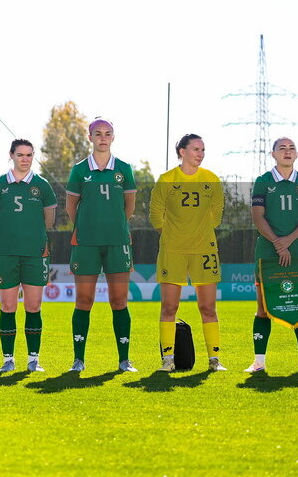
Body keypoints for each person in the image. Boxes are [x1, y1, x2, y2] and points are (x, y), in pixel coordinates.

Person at [65, 118, 138, 373]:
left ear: (113, 138)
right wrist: (87, 228)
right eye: (98, 134)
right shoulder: (79, 170)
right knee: (84, 300)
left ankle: (124, 361)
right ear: (90, 138)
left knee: (119, 301)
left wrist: (114, 226)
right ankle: (78, 360)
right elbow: (71, 207)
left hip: (117, 243)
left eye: (108, 134)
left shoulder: (124, 169)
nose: (103, 138)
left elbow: (129, 206)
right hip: (86, 244)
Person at [149, 134, 226, 372]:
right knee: (169, 307)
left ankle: (214, 360)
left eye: (203, 150)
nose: (200, 154)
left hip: (204, 250)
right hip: (173, 251)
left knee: (208, 308)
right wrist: (175, 235)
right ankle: (168, 360)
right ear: (182, 152)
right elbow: (155, 216)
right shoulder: (166, 180)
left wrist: (197, 233)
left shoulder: (211, 179)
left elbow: (216, 216)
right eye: (196, 149)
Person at [247, 137, 298, 373]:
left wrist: (288, 241)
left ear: (296, 155)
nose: (287, 152)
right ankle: (259, 362)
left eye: (292, 148)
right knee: (263, 307)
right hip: (268, 250)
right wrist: (278, 244)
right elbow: (258, 217)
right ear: (273, 154)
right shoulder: (263, 181)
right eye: (282, 148)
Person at [0, 139, 57, 373]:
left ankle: (33, 360)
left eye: (29, 155)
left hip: (35, 254)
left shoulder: (42, 185)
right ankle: (8, 360)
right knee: (8, 306)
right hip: (6, 254)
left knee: (33, 306)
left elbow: (49, 220)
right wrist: (10, 232)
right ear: (11, 155)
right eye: (20, 155)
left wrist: (31, 235)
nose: (25, 159)